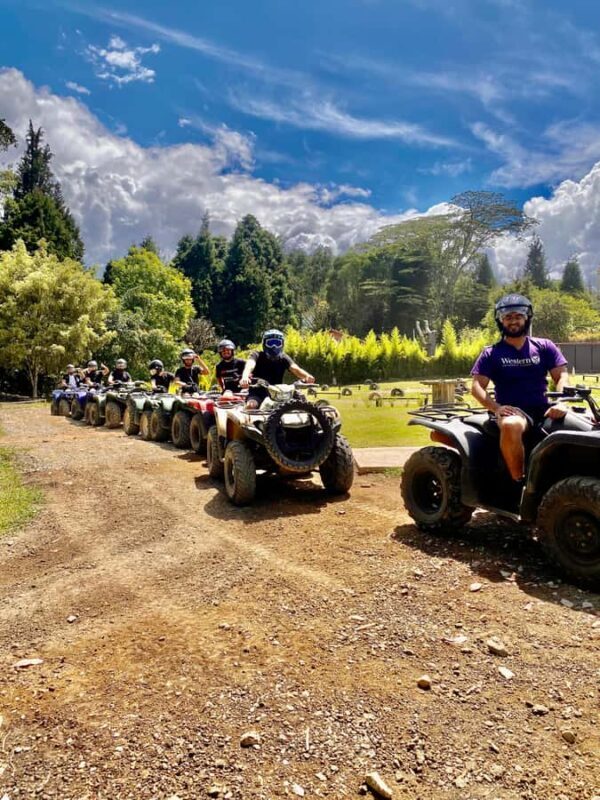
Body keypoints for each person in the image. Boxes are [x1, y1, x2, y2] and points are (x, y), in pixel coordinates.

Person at [471, 293, 569, 484]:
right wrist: (496, 408)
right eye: (508, 317)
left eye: (518, 316)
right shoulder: (491, 353)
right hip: (513, 410)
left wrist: (562, 401)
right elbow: (476, 387)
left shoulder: (544, 346)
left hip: (544, 408)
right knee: (511, 424)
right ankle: (520, 484)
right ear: (501, 321)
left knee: (586, 425)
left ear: (527, 318)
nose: (513, 321)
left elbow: (562, 375)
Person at [240, 329, 315, 409]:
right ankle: (248, 421)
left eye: (277, 343)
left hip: (278, 393)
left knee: (302, 403)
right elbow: (250, 365)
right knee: (251, 406)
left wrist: (307, 376)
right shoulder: (256, 355)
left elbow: (295, 369)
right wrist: (245, 377)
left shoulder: (283, 357)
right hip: (258, 392)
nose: (274, 346)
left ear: (282, 344)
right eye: (270, 343)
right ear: (264, 344)